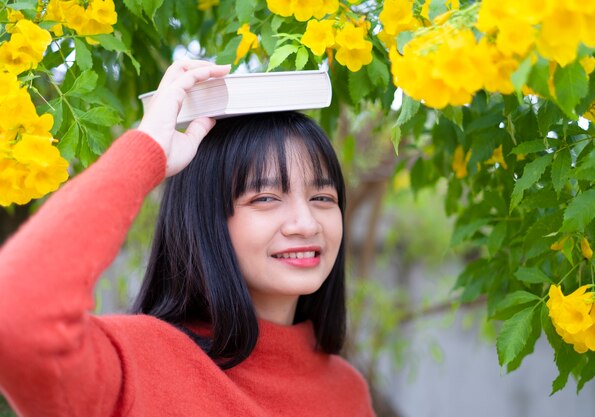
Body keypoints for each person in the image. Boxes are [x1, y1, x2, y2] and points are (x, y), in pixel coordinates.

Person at [0, 60, 375, 417]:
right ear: (205, 218)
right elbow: (15, 312)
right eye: (265, 198)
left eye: (322, 198)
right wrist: (147, 152)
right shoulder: (138, 366)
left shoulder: (346, 390)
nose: (305, 223)